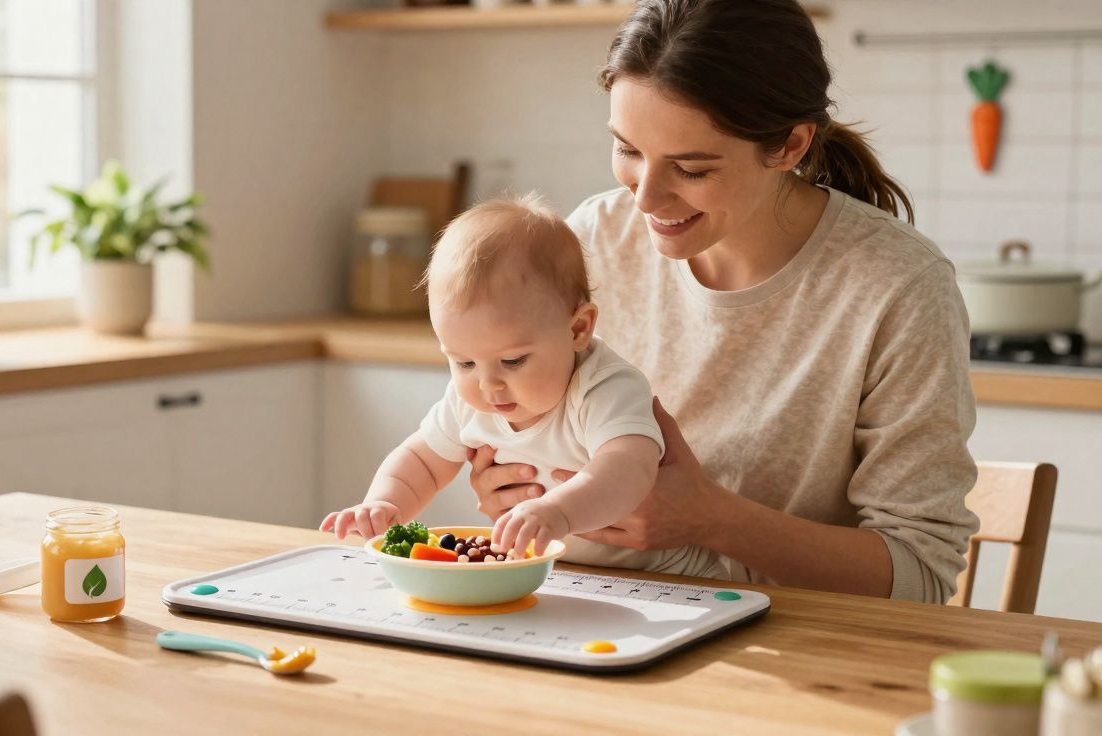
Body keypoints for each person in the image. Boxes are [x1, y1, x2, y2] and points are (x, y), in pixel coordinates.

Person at [466, 0, 979, 604]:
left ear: (789, 145)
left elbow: (919, 578)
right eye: (628, 150)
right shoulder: (591, 241)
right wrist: (512, 476)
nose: (648, 198)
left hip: (798, 650)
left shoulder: (897, 285)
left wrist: (711, 518)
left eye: (691, 168)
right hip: (594, 619)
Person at [321, 194, 725, 578]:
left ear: (578, 329)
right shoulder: (471, 399)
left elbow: (626, 470)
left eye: (512, 361)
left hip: (671, 580)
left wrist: (559, 512)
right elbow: (422, 462)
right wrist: (383, 503)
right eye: (462, 362)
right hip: (562, 577)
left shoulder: (605, 387)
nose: (488, 385)